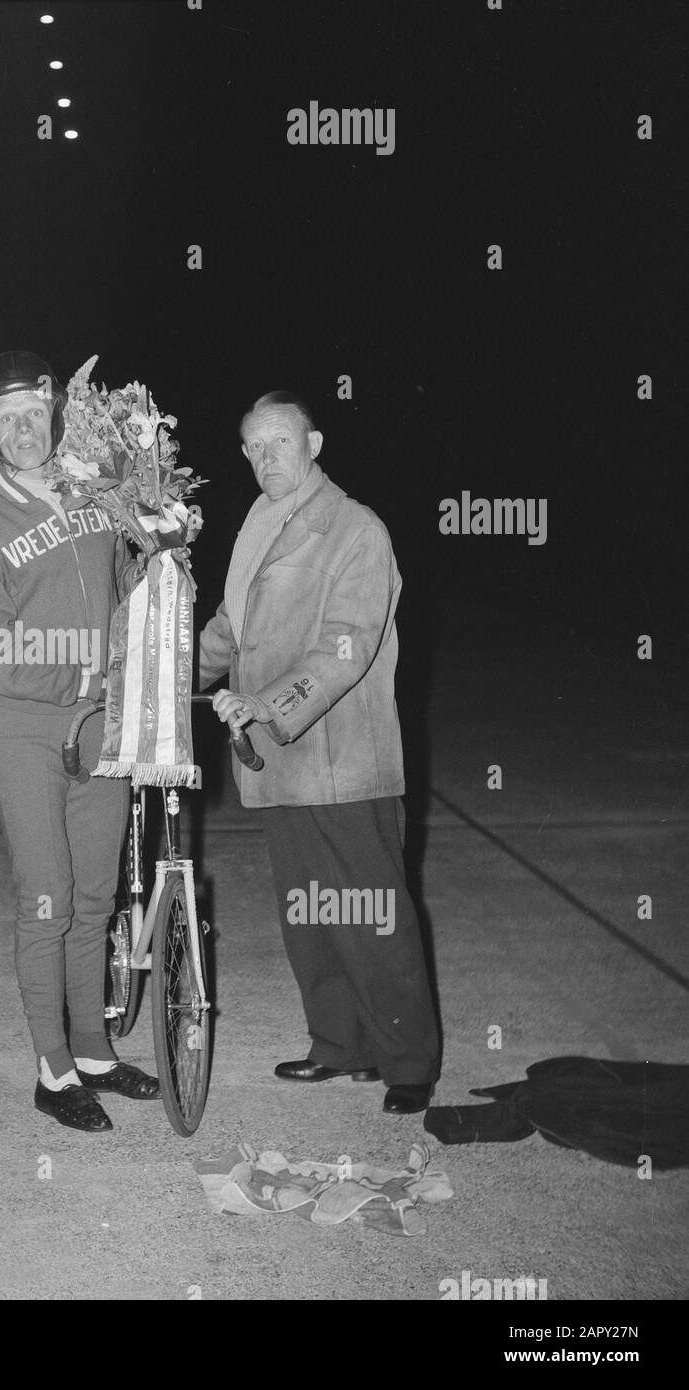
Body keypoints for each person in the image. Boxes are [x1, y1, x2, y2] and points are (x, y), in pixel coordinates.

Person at [199, 390, 440, 1114]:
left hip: (341, 761)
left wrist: (267, 704)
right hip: (279, 766)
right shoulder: (256, 523)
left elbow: (347, 642)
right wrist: (164, 673)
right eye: (253, 446)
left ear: (314, 444)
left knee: (370, 913)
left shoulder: (354, 529)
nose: (265, 457)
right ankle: (338, 1045)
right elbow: (230, 628)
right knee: (308, 912)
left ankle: (406, 1062)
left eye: (279, 442)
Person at [0, 350, 161, 1132]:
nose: (24, 429)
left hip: (101, 723)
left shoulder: (97, 494)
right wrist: (78, 675)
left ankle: (94, 1052)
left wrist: (163, 547)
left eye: (34, 412)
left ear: (55, 411)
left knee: (96, 898)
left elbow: (130, 588)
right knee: (48, 900)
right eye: (6, 419)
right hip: (27, 732)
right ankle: (51, 1070)